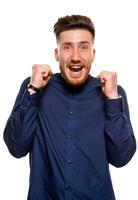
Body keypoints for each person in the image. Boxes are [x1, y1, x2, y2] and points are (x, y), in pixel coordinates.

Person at [4, 15, 136, 200]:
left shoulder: (112, 92)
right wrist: (33, 90)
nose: (75, 57)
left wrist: (113, 99)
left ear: (93, 54)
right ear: (57, 54)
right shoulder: (34, 86)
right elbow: (16, 148)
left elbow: (121, 159)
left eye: (83, 47)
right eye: (67, 47)